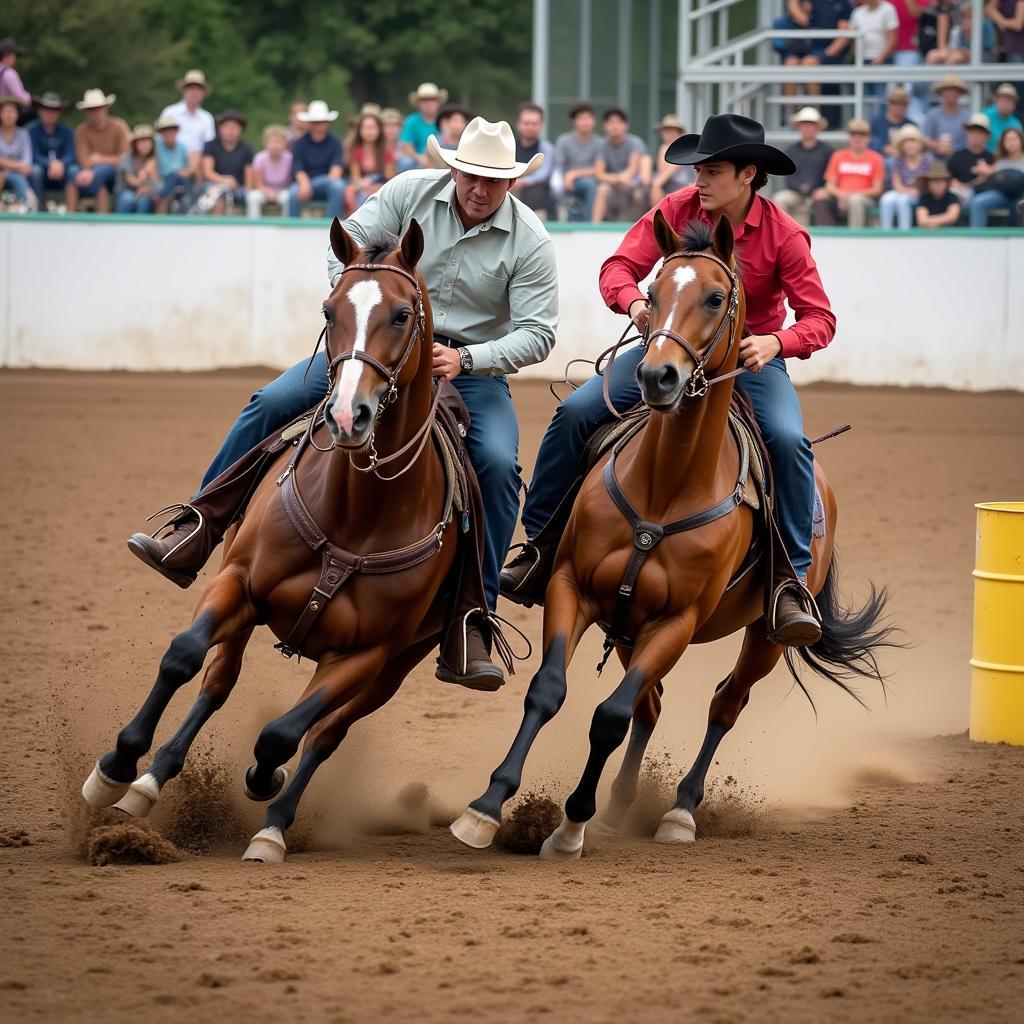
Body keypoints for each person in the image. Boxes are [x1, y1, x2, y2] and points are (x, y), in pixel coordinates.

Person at [127, 117, 558, 688]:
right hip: (375, 347)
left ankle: (472, 616)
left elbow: (538, 333)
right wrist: (366, 291)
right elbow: (347, 240)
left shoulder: (530, 240)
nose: (479, 188)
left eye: (493, 180)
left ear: (512, 183)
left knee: (499, 466)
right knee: (271, 401)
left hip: (466, 368)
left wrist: (469, 359)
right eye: (470, 174)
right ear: (453, 168)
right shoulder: (409, 191)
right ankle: (198, 524)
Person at [502, 113, 835, 645]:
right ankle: (540, 548)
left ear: (748, 174)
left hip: (746, 362)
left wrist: (776, 342)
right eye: (697, 168)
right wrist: (635, 303)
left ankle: (790, 579)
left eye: (712, 169)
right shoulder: (676, 210)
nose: (698, 180)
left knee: (789, 441)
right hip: (672, 349)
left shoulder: (784, 235)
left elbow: (820, 319)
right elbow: (618, 266)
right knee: (576, 412)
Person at [813, 117, 886, 225]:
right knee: (820, 199)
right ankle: (828, 236)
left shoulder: (876, 158)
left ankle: (855, 237)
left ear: (868, 138)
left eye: (862, 135)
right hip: (840, 196)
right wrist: (841, 195)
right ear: (849, 137)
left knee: (855, 201)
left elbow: (877, 189)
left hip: (864, 198)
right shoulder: (838, 156)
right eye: (854, 134)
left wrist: (851, 195)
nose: (857, 138)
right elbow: (830, 185)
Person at [69, 88, 129, 213]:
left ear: (106, 108)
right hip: (90, 174)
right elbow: (83, 159)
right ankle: (71, 215)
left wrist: (100, 160)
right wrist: (92, 170)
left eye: (98, 108)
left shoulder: (119, 126)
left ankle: (83, 207)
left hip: (115, 175)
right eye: (91, 109)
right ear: (86, 112)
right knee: (72, 172)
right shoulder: (81, 130)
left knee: (103, 170)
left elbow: (126, 158)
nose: (95, 112)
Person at [781, 0, 853, 104]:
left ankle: (814, 111)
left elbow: (844, 35)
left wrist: (826, 54)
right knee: (791, 63)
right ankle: (792, 112)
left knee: (809, 63)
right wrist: (801, 14)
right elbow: (798, 13)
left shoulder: (843, 3)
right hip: (806, 48)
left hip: (828, 51)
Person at [773, 106, 833, 225]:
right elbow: (788, 176)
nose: (807, 127)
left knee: (823, 202)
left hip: (818, 192)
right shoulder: (791, 151)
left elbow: (831, 175)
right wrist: (800, 187)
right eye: (803, 124)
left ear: (817, 128)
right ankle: (779, 234)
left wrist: (824, 190)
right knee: (779, 199)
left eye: (810, 124)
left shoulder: (827, 151)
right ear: (798, 127)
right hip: (795, 192)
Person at [591, 108, 650, 223]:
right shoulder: (602, 145)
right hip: (614, 185)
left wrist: (621, 178)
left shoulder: (635, 142)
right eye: (611, 122)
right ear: (605, 126)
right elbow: (599, 174)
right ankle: (595, 227)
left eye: (619, 122)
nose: (615, 126)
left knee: (640, 190)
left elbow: (632, 169)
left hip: (632, 184)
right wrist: (617, 179)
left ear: (625, 125)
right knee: (602, 189)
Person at [288, 99, 344, 219]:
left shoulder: (335, 143)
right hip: (305, 183)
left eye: (321, 122)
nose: (318, 125)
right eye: (315, 122)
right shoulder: (299, 144)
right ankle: (293, 228)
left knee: (338, 186)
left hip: (326, 183)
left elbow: (336, 172)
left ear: (327, 123)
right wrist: (304, 183)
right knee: (293, 192)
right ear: (309, 123)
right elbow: (298, 169)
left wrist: (311, 183)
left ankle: (331, 226)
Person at [158, 70, 216, 178]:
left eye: (198, 89)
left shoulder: (207, 118)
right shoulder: (170, 112)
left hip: (197, 166)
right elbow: (160, 141)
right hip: (170, 163)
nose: (194, 92)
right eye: (191, 88)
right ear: (184, 90)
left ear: (203, 93)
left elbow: (209, 147)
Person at [198, 110, 253, 215]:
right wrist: (225, 181)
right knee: (218, 196)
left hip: (238, 189)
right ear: (220, 128)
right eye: (227, 127)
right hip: (213, 186)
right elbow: (207, 172)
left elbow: (249, 180)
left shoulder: (246, 149)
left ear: (241, 130)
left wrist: (242, 189)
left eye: (234, 127)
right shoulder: (210, 145)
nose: (230, 131)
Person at [27, 92, 77, 210]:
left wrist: (60, 164)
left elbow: (71, 154)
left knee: (74, 170)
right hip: (42, 173)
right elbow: (32, 154)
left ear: (59, 112)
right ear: (39, 111)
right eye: (46, 109)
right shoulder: (31, 130)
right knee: (35, 171)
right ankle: (38, 210)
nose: (50, 113)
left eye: (54, 110)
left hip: (61, 173)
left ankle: (72, 211)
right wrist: (50, 164)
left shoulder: (67, 131)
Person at [553, 102, 602, 221]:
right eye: (581, 118)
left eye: (589, 118)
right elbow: (559, 166)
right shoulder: (563, 141)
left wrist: (574, 174)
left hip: (591, 182)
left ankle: (588, 224)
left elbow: (599, 169)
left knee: (591, 185)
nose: (586, 122)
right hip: (566, 183)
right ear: (573, 121)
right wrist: (564, 179)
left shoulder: (600, 143)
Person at [878, 124, 933, 228]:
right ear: (902, 145)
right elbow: (897, 184)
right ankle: (886, 232)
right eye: (906, 142)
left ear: (919, 144)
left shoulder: (927, 160)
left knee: (902, 201)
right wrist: (907, 191)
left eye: (913, 141)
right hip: (903, 191)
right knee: (886, 199)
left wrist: (916, 191)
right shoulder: (898, 161)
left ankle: (905, 233)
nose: (910, 145)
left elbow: (929, 182)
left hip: (922, 194)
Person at [968, 126, 1024, 225]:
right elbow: (985, 179)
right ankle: (976, 237)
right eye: (1007, 140)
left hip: (1021, 196)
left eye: (1014, 139)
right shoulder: (999, 162)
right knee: (978, 202)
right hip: (1004, 195)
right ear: (1003, 143)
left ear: (1021, 140)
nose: (1011, 142)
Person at [343, 110, 394, 214]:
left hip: (381, 187)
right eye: (365, 127)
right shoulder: (356, 150)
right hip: (361, 186)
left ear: (379, 130)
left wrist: (377, 187)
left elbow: (390, 177)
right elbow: (355, 178)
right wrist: (364, 186)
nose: (369, 131)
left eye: (372, 127)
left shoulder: (386, 151)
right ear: (360, 130)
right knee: (350, 192)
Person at [849, 0, 900, 103]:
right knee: (863, 100)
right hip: (862, 62)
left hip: (883, 61)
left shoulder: (888, 9)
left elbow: (893, 39)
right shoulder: (857, 13)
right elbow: (851, 37)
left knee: (881, 99)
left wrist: (881, 58)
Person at [510, 102, 555, 215]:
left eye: (534, 123)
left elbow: (544, 173)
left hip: (538, 195)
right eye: (526, 123)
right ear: (518, 124)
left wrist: (522, 182)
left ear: (541, 125)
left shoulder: (547, 148)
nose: (530, 127)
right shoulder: (509, 146)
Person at [247, 124, 293, 218]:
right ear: (265, 143)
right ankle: (254, 226)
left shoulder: (290, 158)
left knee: (288, 198)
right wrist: (268, 192)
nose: (275, 146)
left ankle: (286, 227)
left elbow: (291, 181)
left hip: (283, 190)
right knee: (253, 197)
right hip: (263, 190)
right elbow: (257, 183)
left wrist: (277, 192)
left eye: (279, 142)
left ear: (285, 143)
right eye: (272, 142)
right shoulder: (259, 158)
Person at [948, 112, 995, 204]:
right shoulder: (957, 156)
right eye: (972, 131)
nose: (975, 135)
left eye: (979, 132)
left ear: (987, 136)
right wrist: (954, 183)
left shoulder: (992, 158)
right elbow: (947, 177)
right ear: (967, 134)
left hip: (982, 199)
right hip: (958, 198)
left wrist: (986, 174)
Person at [153, 113, 195, 214]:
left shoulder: (183, 146)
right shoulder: (156, 146)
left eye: (172, 130)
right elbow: (152, 165)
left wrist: (185, 172)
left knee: (176, 178)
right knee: (173, 178)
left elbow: (191, 167)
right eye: (165, 131)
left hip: (181, 179)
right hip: (164, 179)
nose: (169, 133)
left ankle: (161, 194)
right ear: (161, 133)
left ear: (176, 132)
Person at [650, 114, 695, 205]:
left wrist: (657, 182)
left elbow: (662, 178)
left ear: (679, 133)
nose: (669, 134)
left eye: (672, 131)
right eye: (666, 131)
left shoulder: (682, 149)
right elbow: (662, 175)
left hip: (685, 186)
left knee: (656, 186)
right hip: (669, 186)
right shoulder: (663, 148)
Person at [115, 125, 160, 214]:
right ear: (135, 144)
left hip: (150, 193)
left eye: (147, 141)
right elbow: (130, 180)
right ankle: (120, 226)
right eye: (141, 141)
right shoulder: (126, 158)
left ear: (152, 143)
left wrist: (151, 174)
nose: (144, 144)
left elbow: (159, 186)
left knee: (144, 200)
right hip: (127, 190)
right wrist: (144, 173)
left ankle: (143, 227)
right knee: (127, 198)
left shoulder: (157, 159)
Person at [399, 82, 446, 167]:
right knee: (405, 162)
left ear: (438, 102)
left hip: (443, 159)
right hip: (418, 162)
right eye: (424, 100)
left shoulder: (445, 121)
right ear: (419, 103)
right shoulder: (411, 121)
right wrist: (420, 158)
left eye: (432, 99)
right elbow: (406, 145)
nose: (429, 103)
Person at [0, 95, 35, 211]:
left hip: (17, 174)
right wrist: (17, 165)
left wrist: (6, 164)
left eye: (12, 112)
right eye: (5, 112)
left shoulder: (23, 134)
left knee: (20, 179)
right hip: (6, 173)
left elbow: (27, 161)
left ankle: (30, 206)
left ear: (17, 114)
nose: (8, 115)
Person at [923, 74, 969, 157]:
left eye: (953, 90)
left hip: (959, 160)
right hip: (936, 161)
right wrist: (938, 146)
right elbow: (926, 140)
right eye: (947, 90)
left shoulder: (967, 117)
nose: (950, 93)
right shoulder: (933, 114)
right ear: (941, 93)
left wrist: (953, 150)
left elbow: (970, 142)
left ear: (959, 93)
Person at [869, 85, 915, 156]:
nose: (898, 107)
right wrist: (884, 148)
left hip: (905, 162)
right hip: (881, 160)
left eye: (902, 104)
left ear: (907, 106)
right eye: (894, 103)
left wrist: (902, 150)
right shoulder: (876, 122)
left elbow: (917, 147)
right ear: (889, 104)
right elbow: (870, 143)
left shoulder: (911, 125)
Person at [914, 161, 961, 226]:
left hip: (952, 235)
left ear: (947, 182)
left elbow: (952, 216)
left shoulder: (953, 197)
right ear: (928, 183)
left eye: (940, 181)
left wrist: (934, 222)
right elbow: (921, 220)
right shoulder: (924, 198)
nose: (937, 185)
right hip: (929, 235)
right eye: (934, 181)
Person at [981, 85, 1024, 153]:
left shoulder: (1016, 124)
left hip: (1006, 160)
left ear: (1014, 105)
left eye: (1010, 101)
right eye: (1004, 100)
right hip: (985, 158)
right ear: (996, 100)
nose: (1006, 104)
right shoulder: (984, 116)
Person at [985, 0, 1024, 65]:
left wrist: (1002, 22)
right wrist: (1000, 20)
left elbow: (1018, 24)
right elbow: (989, 9)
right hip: (1008, 45)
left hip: (1018, 46)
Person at [0, 39, 31, 120]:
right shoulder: (9, 73)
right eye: (14, 55)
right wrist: (31, 99)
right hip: (5, 113)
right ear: (7, 55)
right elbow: (21, 98)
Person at [382, 107, 416, 173]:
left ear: (400, 128)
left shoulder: (405, 146)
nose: (391, 129)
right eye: (387, 126)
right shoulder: (377, 146)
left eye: (394, 126)